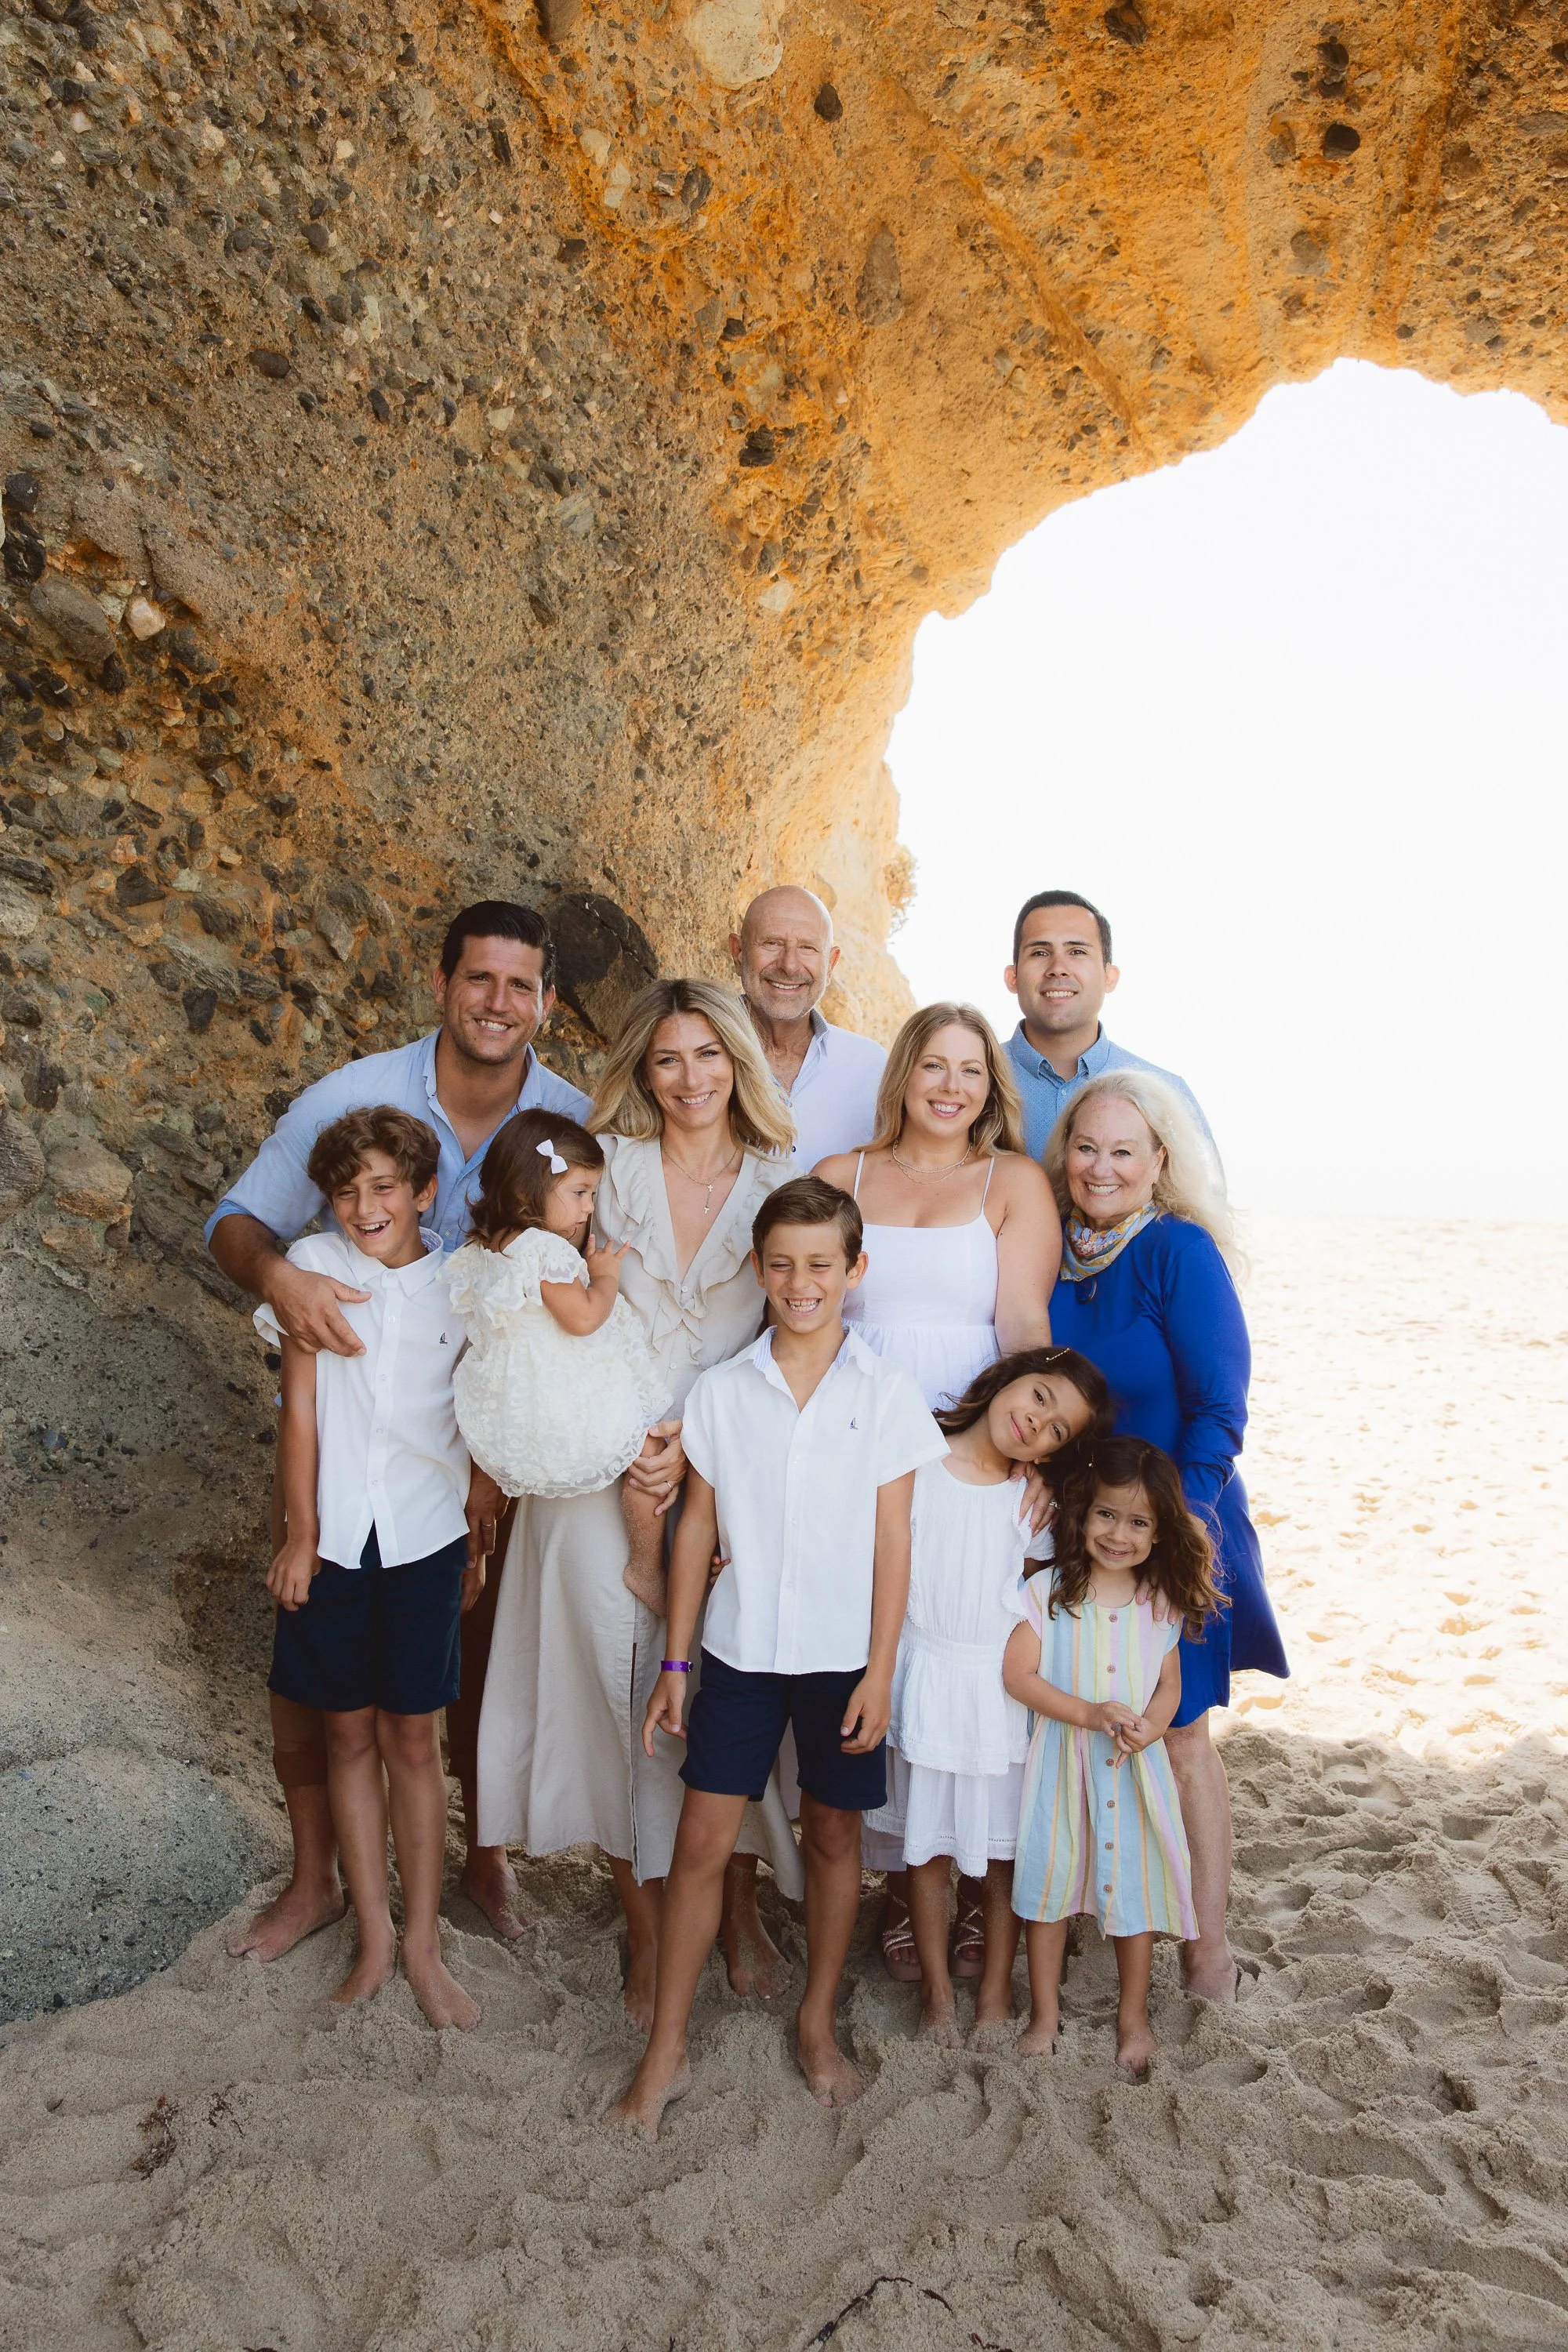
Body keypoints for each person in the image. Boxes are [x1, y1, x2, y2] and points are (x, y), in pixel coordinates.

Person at [212, 901, 589, 1965]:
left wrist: (503, 1467)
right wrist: (284, 1277)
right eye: (480, 979)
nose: (497, 1003)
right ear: (442, 983)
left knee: (474, 1659)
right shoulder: (354, 1097)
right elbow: (236, 1222)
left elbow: (595, 1263)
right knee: (315, 1689)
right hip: (351, 1437)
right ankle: (316, 1881)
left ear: (547, 1004)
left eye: (521, 986)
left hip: (492, 1440)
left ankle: (484, 1859)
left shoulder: (566, 1121)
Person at [485, 978, 801, 2031]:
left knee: (729, 1689)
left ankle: (740, 1906)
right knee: (616, 1694)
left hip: (728, 1460)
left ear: (739, 1063)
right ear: (642, 1071)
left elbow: (788, 1333)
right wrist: (625, 1440)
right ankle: (647, 1916)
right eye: (667, 1059)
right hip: (594, 1453)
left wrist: (689, 1443)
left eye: (710, 1055)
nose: (690, 1078)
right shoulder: (599, 1169)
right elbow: (536, 1306)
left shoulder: (779, 1177)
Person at [611, 1177, 949, 2138]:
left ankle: (815, 2019)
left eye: (821, 1265)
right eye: (784, 1265)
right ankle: (666, 2047)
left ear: (854, 1271)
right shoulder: (721, 1392)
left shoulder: (884, 1394)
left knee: (834, 1837)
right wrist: (676, 1664)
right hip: (741, 1650)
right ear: (758, 1270)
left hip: (844, 1657)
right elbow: (694, 1532)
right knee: (701, 1842)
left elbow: (895, 1543)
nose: (802, 1283)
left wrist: (881, 1672)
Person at [815, 1000, 1062, 1984]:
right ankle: (894, 1882)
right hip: (858, 1446)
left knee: (959, 1655)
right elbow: (806, 1308)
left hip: (973, 1459)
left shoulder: (1013, 1182)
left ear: (987, 1087)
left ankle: (969, 1893)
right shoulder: (843, 1178)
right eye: (933, 1067)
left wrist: (1038, 1464)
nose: (950, 1086)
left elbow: (1022, 1320)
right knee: (880, 1654)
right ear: (904, 1076)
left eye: (969, 1070)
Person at [1044, 1069, 1289, 2001]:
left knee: (1177, 1734)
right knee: (1075, 1727)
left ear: (1157, 1163)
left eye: (1121, 1151)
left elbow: (1219, 1409)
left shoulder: (1178, 1251)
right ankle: (1073, 1920)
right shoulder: (1049, 1253)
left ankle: (1206, 1950)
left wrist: (1167, 1537)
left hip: (1178, 1522)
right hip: (1079, 1536)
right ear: (1062, 1153)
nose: (1100, 1167)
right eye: (1084, 1147)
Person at [259, 1106, 482, 2030]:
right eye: (347, 1192)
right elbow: (300, 1414)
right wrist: (300, 1536)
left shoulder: (464, 1287)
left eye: (384, 1187)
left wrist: (482, 1528)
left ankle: (423, 1942)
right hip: (339, 1541)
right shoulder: (311, 1272)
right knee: (345, 1736)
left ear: (425, 1193)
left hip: (427, 1540)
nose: (363, 1206)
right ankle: (374, 1936)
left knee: (412, 1744)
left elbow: (483, 1414)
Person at [862, 1348, 1110, 2049]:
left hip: (996, 1690)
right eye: (1037, 1397)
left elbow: (1040, 1596)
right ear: (1005, 1379)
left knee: (1004, 1855)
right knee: (926, 1849)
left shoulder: (1033, 1503)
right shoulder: (915, 1457)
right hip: (925, 1674)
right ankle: (939, 1994)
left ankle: (997, 1990)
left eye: (1058, 1429)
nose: (1035, 1422)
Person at [1004, 1436, 1222, 2072]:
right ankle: (1045, 2013)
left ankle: (1134, 2018)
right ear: (1082, 1513)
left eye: (1137, 1522)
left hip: (1133, 1773)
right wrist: (1089, 1714)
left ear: (1159, 1533)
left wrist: (1152, 1728)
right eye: (1106, 1514)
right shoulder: (1048, 1592)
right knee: (1048, 1893)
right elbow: (1020, 1677)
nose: (1118, 1533)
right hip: (1061, 1766)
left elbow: (1169, 1686)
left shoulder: (1159, 1604)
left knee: (1134, 1898)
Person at [445, 1110, 670, 1611]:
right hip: (558, 1398)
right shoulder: (542, 1250)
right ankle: (646, 1566)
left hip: (509, 1401)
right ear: (530, 1191)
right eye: (580, 1193)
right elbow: (584, 1319)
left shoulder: (491, 1246)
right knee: (647, 1444)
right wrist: (605, 1275)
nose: (590, 1209)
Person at [1004, 891, 1219, 1169]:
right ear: (1013, 977)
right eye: (1040, 952)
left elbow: (1203, 1205)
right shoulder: (966, 1084)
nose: (1058, 968)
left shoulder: (1167, 1094)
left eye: (1077, 951)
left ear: (1109, 977)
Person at [730, 884, 886, 1169]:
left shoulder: (872, 1067)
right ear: (738, 951)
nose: (789, 965)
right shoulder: (697, 1054)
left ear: (831, 963)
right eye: (772, 943)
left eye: (808, 948)